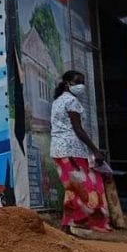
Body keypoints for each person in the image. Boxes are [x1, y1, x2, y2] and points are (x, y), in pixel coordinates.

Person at [50, 70, 110, 236]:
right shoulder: (72, 101)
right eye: (78, 82)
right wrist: (95, 150)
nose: (81, 86)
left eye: (82, 82)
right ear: (68, 82)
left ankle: (66, 226)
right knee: (92, 185)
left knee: (72, 188)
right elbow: (78, 129)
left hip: (58, 150)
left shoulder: (57, 101)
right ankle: (92, 221)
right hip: (72, 151)